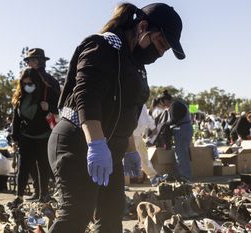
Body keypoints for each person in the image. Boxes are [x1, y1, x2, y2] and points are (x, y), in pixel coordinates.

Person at [48, 3, 184, 232]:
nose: (160, 53)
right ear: (142, 27)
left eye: (165, 49)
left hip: (110, 148)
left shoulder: (135, 65)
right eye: (161, 43)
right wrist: (96, 144)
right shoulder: (103, 45)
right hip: (77, 141)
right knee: (76, 214)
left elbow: (127, 113)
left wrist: (130, 150)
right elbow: (86, 96)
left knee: (111, 216)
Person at [11, 68, 58, 202]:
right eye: (24, 84)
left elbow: (60, 107)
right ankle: (19, 196)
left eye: (30, 83)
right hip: (26, 136)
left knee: (43, 167)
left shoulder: (48, 92)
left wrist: (48, 106)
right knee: (23, 167)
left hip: (44, 136)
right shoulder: (20, 96)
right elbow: (16, 119)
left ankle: (44, 194)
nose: (27, 86)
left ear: (36, 81)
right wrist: (14, 138)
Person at [168, 97, 193, 180]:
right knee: (182, 153)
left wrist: (165, 124)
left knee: (181, 154)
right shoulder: (181, 104)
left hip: (182, 129)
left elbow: (174, 119)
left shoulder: (174, 105)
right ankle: (181, 174)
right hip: (187, 128)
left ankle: (185, 176)